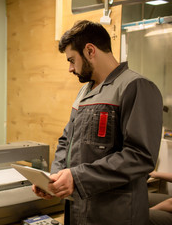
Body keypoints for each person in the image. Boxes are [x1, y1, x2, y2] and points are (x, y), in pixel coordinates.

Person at [32, 20, 163, 224]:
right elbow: (67, 140)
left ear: (90, 51)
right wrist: (55, 180)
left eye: (72, 60)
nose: (70, 68)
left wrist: (77, 177)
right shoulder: (85, 91)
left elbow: (140, 156)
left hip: (115, 214)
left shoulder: (135, 87)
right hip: (79, 210)